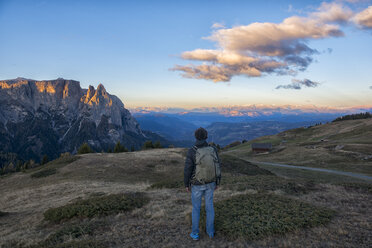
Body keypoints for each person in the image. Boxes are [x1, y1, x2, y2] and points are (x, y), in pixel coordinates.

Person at [184, 127, 221, 241]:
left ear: (195, 136)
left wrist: (186, 184)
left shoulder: (192, 150)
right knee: (210, 207)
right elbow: (217, 165)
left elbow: (188, 169)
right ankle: (210, 232)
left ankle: (195, 233)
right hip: (211, 182)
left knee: (196, 208)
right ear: (206, 136)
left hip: (196, 184)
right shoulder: (213, 149)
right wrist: (218, 181)